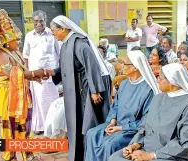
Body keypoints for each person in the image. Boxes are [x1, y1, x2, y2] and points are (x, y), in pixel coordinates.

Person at [0, 9, 48, 161]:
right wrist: (37, 73)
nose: (19, 42)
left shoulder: (15, 53)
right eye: (16, 39)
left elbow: (21, 71)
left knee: (25, 124)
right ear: (7, 41)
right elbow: (13, 75)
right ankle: (10, 155)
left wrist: (33, 78)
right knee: (10, 126)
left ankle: (28, 153)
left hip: (21, 92)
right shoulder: (0, 56)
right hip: (7, 95)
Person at [109, 63, 188, 161]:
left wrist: (151, 155)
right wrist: (135, 144)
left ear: (172, 80)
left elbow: (187, 144)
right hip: (147, 148)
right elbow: (145, 126)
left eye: (160, 77)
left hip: (172, 155)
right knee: (114, 158)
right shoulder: (159, 97)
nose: (157, 80)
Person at [48, 15, 111, 161]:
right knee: (78, 123)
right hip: (78, 90)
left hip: (88, 90)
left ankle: (91, 155)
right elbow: (68, 66)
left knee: (88, 123)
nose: (52, 33)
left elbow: (92, 66)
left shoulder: (79, 43)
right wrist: (52, 73)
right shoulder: (66, 43)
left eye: (54, 30)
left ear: (63, 28)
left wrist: (95, 91)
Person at [85, 50, 160, 161]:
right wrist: (112, 121)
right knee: (91, 133)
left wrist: (120, 128)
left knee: (109, 145)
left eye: (125, 64)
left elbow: (146, 121)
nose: (122, 66)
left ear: (135, 67)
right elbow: (115, 105)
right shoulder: (124, 83)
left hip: (132, 130)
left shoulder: (149, 89)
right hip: (117, 124)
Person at [23, 10, 60, 135]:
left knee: (52, 101)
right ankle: (40, 126)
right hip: (35, 76)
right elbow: (26, 57)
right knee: (38, 101)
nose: (39, 24)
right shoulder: (29, 36)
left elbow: (60, 54)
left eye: (41, 21)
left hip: (50, 75)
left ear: (45, 20)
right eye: (36, 21)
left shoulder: (53, 34)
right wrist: (28, 76)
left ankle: (52, 127)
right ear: (33, 22)